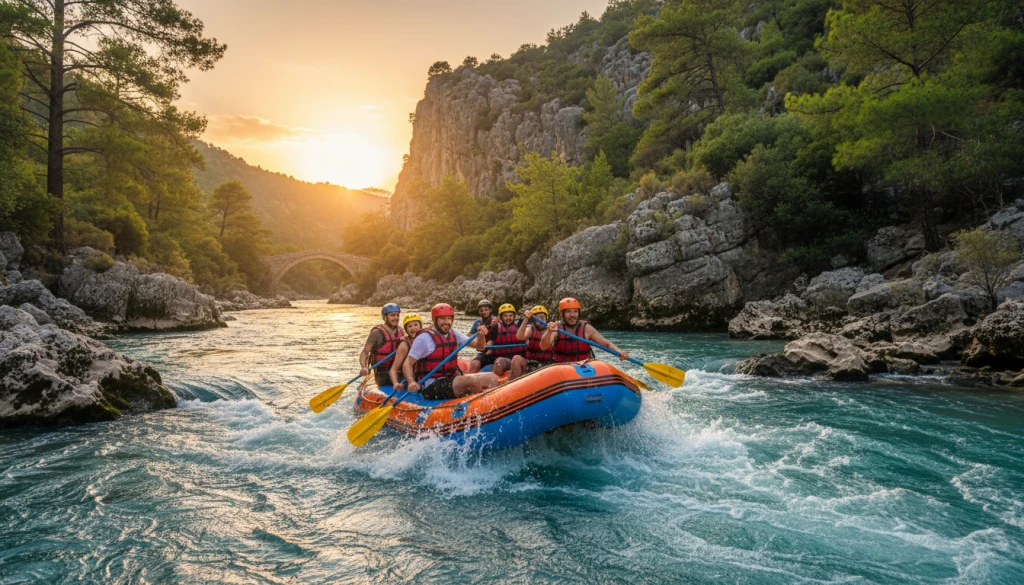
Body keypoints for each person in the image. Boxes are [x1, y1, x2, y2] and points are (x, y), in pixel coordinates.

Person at [404, 303, 501, 400]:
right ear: (434, 320)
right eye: (442, 318)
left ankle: (493, 405)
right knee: (470, 381)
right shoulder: (424, 338)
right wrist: (411, 381)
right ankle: (480, 405)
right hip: (431, 385)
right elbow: (407, 363)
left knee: (491, 378)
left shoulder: (454, 333)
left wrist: (481, 335)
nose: (446, 322)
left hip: (451, 377)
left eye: (449, 318)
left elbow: (480, 347)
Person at [540, 297, 629, 364]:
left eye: (575, 311)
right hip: (562, 368)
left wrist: (620, 352)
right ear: (562, 314)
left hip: (584, 367)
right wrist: (549, 332)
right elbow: (543, 346)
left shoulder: (587, 328)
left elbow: (606, 344)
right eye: (568, 311)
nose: (572, 315)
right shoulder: (556, 329)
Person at [359, 303, 405, 388]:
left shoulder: (401, 331)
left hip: (399, 370)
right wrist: (364, 367)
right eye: (392, 315)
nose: (396, 318)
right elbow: (365, 352)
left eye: (397, 315)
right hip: (383, 373)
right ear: (385, 317)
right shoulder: (376, 333)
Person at [510, 305, 555, 379]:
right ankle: (512, 383)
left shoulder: (552, 330)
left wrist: (550, 331)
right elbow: (520, 337)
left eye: (543, 317)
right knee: (516, 358)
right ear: (534, 320)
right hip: (531, 363)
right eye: (538, 317)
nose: (541, 319)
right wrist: (526, 320)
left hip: (547, 364)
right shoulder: (530, 329)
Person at [478, 303, 523, 376]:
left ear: (514, 316)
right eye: (505, 316)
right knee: (484, 365)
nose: (508, 318)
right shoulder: (495, 327)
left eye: (510, 316)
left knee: (500, 361)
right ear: (501, 317)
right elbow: (490, 342)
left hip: (514, 359)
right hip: (498, 357)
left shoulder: (519, 327)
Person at [388, 313, 423, 390]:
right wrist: (395, 383)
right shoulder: (404, 345)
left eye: (416, 325)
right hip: (409, 380)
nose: (413, 328)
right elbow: (394, 369)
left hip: (423, 378)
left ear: (421, 327)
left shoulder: (426, 340)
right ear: (406, 330)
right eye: (409, 326)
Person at [467, 299, 497, 373]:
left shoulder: (496, 321)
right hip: (484, 352)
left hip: (496, 353)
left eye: (486, 310)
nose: (484, 312)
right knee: (474, 364)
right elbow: (469, 336)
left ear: (490, 310)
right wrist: (478, 334)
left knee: (485, 370)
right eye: (481, 310)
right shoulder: (477, 323)